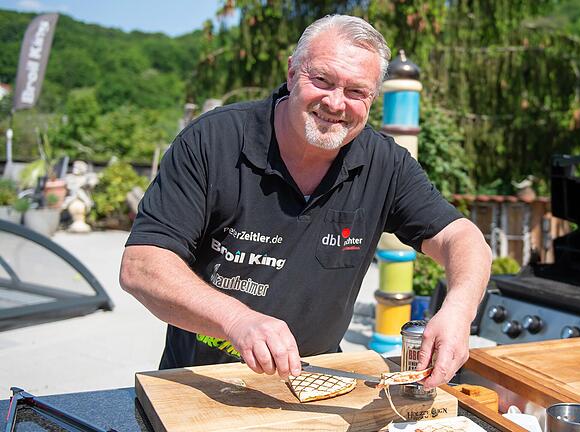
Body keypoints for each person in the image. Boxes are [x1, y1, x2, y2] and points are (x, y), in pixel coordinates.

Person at [119, 14, 491, 390]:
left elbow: (463, 238)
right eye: (323, 81)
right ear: (292, 71)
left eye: (356, 91)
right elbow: (143, 265)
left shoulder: (385, 163)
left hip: (317, 386)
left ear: (373, 98)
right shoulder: (214, 140)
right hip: (199, 385)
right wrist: (237, 320)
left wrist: (458, 311)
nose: (335, 102)